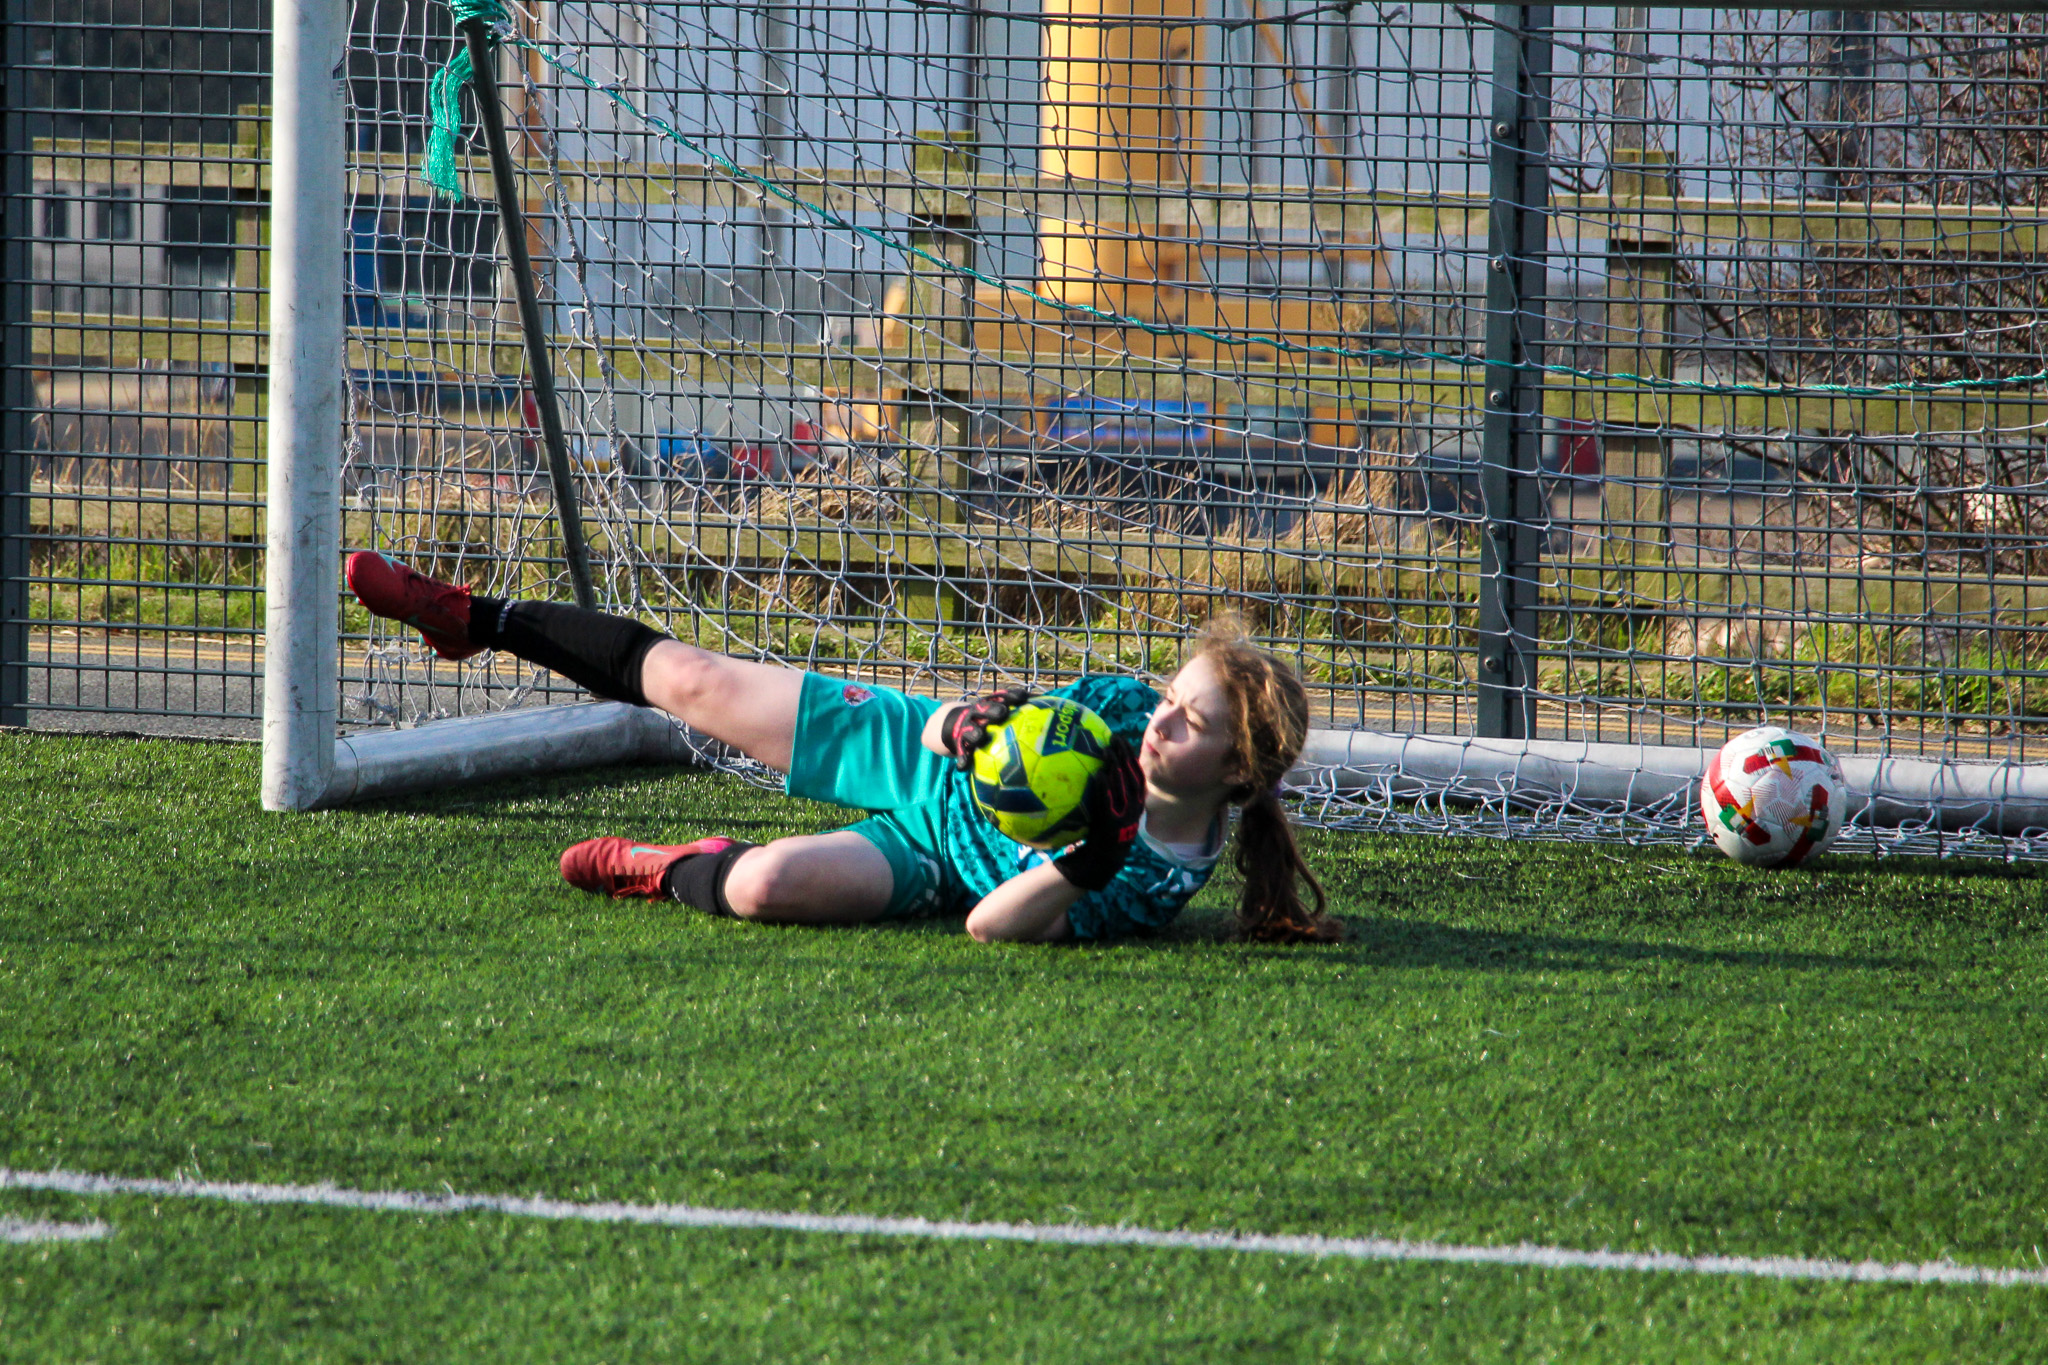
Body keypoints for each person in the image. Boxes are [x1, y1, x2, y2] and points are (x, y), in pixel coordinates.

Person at [345, 552, 1340, 945]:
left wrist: (1092, 856)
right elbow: (1012, 732)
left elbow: (992, 928)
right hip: (927, 762)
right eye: (1171, 697)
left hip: (942, 858)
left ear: (1236, 775)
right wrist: (956, 722)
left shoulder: (1158, 879)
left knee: (763, 892)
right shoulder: (1121, 706)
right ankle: (475, 617)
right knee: (695, 682)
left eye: (1189, 723)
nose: (1157, 719)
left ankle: (666, 868)